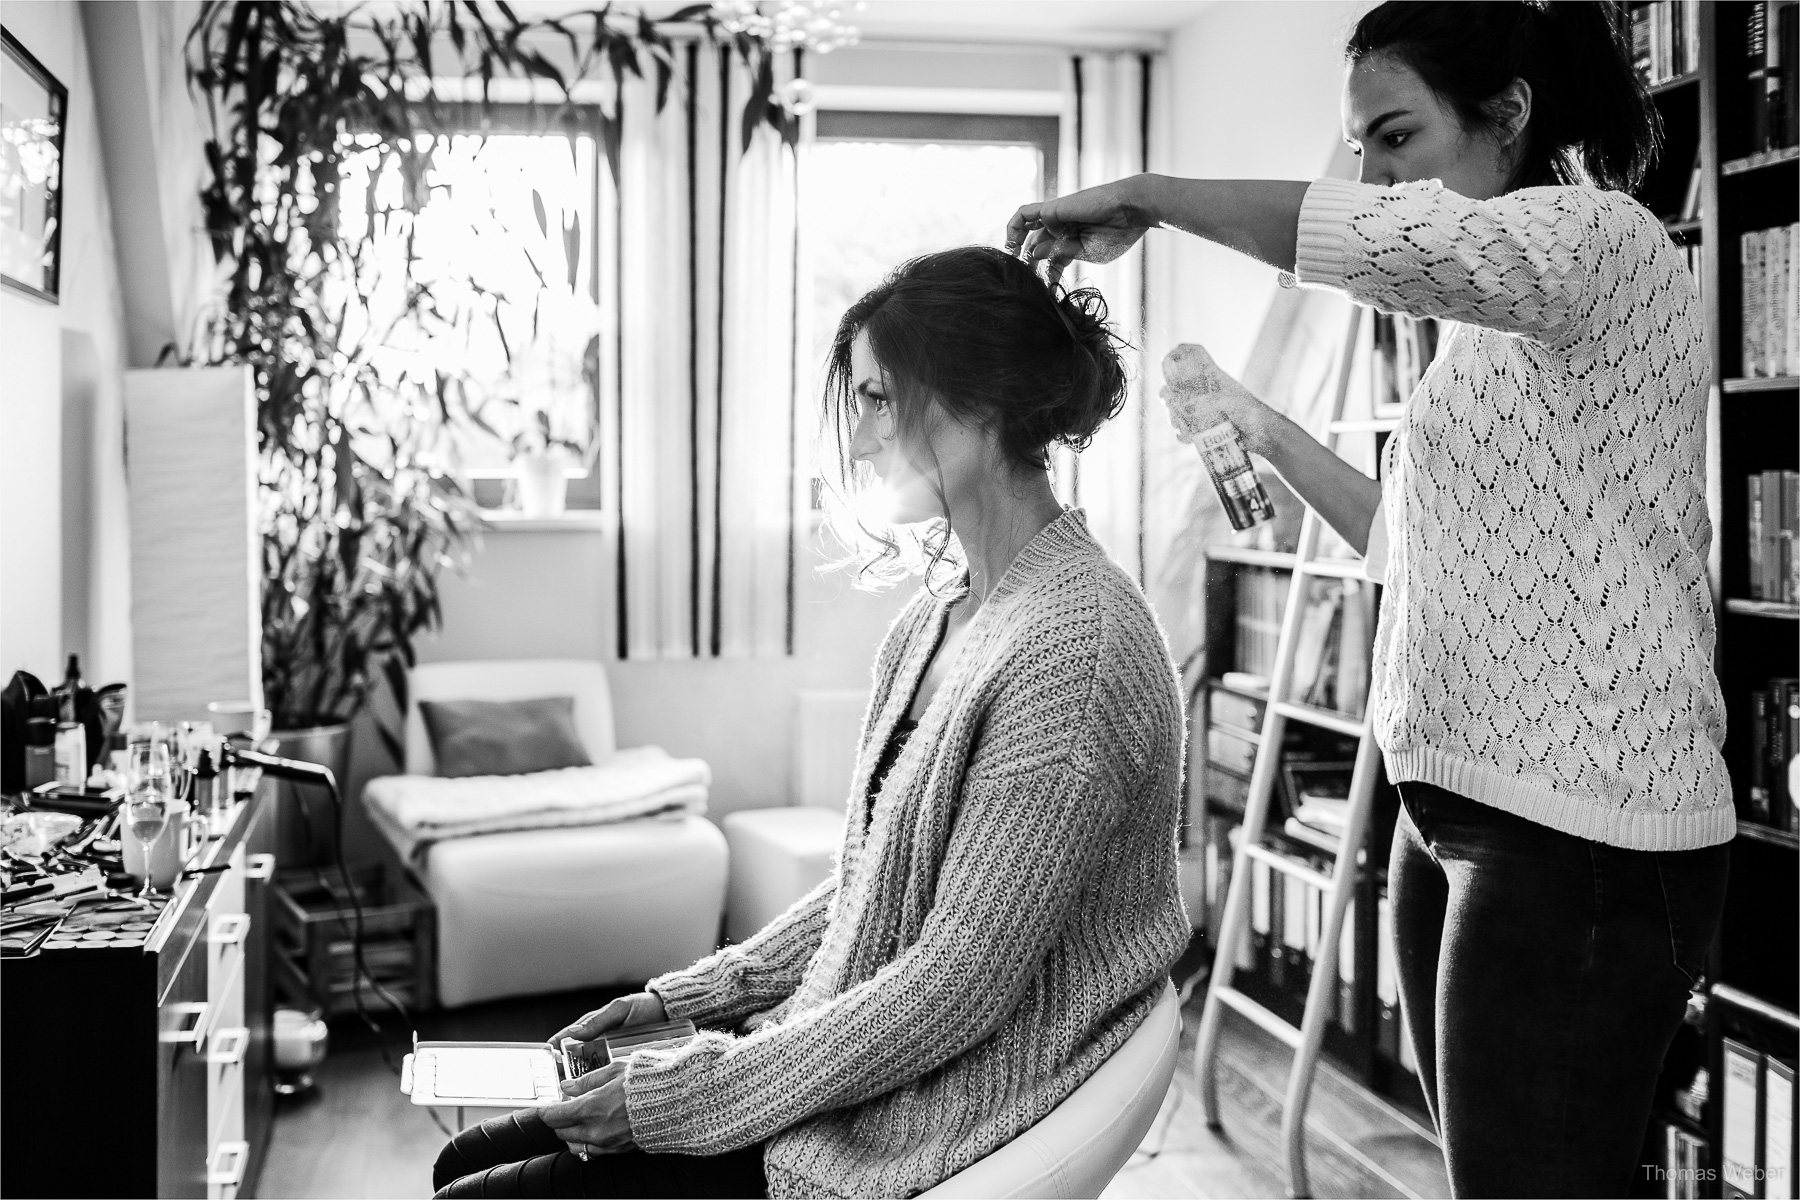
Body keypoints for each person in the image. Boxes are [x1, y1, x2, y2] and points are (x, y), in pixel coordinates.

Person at [1006, 2, 1731, 1196]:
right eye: (1360, 151)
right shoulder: (1484, 334)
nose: (1376, 179)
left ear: (1510, 114)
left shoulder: (1597, 244)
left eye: (1396, 137)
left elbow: (1390, 243)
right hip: (1455, 814)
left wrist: (1147, 193)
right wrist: (1261, 424)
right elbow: (1414, 542)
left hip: (1585, 834)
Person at [431, 245, 1192, 1199]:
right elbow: (875, 886)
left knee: (470, 1188)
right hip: (840, 1064)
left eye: (880, 398)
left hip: (926, 1107)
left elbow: (953, 990)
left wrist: (680, 1096)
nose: (863, 437)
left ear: (981, 405)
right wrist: (685, 999)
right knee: (464, 1155)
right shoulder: (936, 618)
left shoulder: (1077, 656)